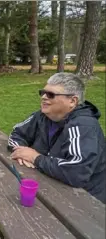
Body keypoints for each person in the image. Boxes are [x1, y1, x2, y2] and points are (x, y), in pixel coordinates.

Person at [8, 73, 105, 204]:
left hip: (84, 201)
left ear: (72, 101)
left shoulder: (84, 126)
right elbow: (16, 134)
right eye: (43, 92)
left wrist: (35, 158)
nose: (43, 97)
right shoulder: (43, 116)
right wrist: (21, 152)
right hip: (47, 184)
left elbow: (77, 172)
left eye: (50, 95)